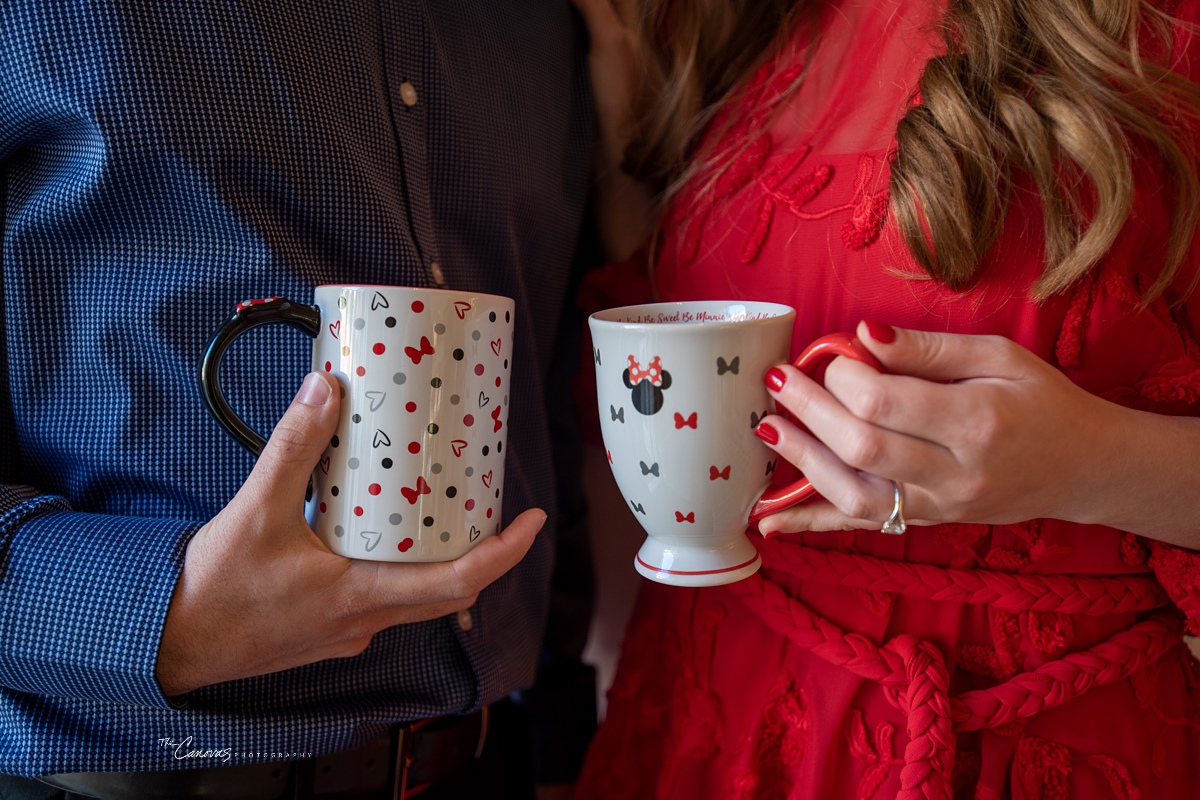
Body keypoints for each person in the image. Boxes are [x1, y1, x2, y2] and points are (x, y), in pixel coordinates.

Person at [571, 0, 1200, 797]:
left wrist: (1092, 463)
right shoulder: (740, 28)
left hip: (1026, 749)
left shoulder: (1161, 32)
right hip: (710, 724)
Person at [0, 2, 597, 799]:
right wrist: (158, 615)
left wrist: (562, 737)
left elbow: (546, 395)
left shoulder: (543, 25)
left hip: (490, 761)